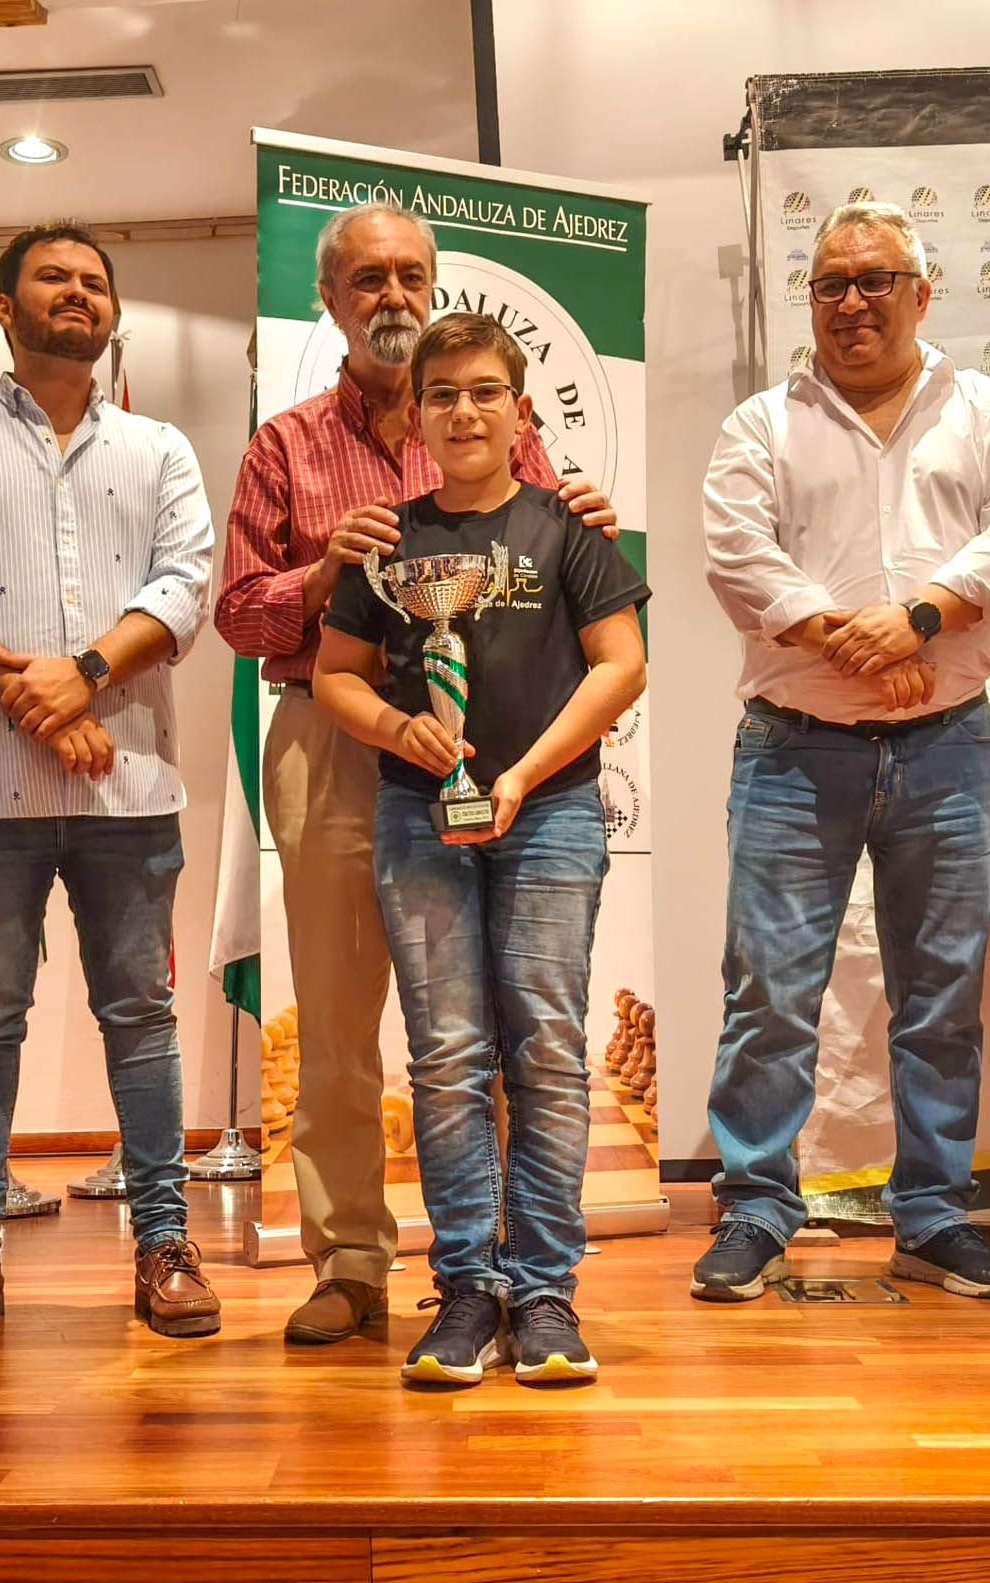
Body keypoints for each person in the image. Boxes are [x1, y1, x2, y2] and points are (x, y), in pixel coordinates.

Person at [216, 202, 617, 1345]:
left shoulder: (497, 426)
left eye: (408, 276)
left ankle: (515, 1272)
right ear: (327, 299)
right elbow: (238, 614)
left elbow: (545, 562)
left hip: (486, 750)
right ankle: (350, 1258)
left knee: (505, 1022)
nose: (389, 295)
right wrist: (319, 575)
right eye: (366, 279)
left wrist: (587, 516)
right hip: (334, 735)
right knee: (342, 1021)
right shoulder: (285, 444)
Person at [694, 199, 990, 1304]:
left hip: (947, 747)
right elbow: (735, 554)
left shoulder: (985, 410)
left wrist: (920, 618)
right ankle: (755, 1208)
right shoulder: (761, 423)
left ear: (919, 292)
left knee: (941, 996)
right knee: (768, 993)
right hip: (792, 749)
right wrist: (851, 640)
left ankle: (933, 1216)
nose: (849, 301)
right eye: (828, 283)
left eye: (873, 279)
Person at [0, 222, 221, 1346]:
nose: (78, 292)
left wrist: (84, 677)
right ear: (6, 309)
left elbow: (184, 587)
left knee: (143, 1018)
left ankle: (164, 1245)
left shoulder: (160, 449)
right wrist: (50, 705)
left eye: (94, 281)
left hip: (131, 789)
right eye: (53, 278)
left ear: (111, 312)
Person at [314, 313, 648, 1384]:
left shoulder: (568, 526)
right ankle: (465, 1285)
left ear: (520, 410)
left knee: (545, 1046)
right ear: (413, 415)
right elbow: (333, 674)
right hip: (420, 814)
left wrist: (523, 773)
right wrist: (394, 727)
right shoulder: (385, 542)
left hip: (548, 814)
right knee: (447, 1054)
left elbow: (621, 665)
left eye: (484, 391)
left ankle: (543, 1289)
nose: (464, 411)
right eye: (442, 393)